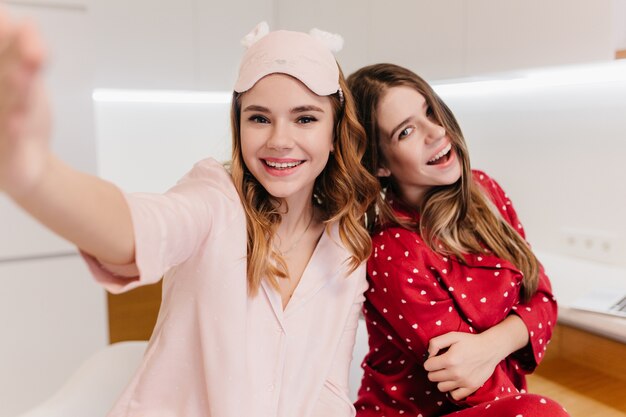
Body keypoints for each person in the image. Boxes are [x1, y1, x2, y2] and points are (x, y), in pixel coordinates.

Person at [0, 13, 379, 417]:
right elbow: (143, 226)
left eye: (305, 118)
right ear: (239, 125)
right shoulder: (215, 198)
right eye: (259, 118)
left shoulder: (347, 245)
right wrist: (33, 172)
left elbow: (328, 392)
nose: (279, 140)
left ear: (335, 132)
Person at [347, 63, 569, 417]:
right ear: (379, 165)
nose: (436, 132)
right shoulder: (392, 250)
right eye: (406, 132)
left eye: (430, 112)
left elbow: (543, 300)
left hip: (503, 401)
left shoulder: (486, 192)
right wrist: (509, 340)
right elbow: (465, 377)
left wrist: (492, 344)